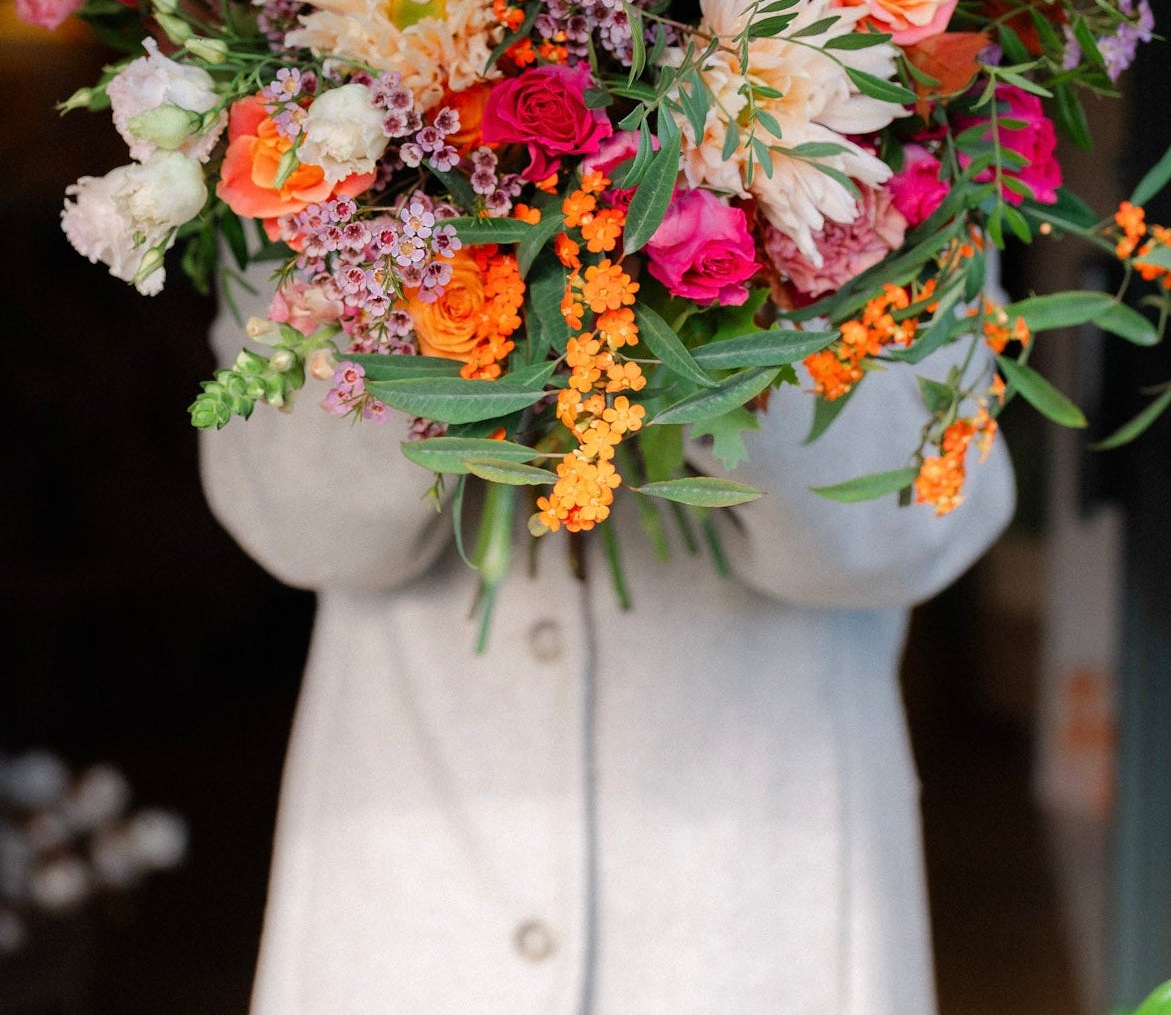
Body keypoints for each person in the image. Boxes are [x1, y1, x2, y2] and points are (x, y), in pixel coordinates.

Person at [201, 275, 1014, 1015]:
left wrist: (707, 270)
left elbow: (906, 526)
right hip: (414, 906)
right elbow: (299, 530)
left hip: (757, 909)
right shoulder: (298, 140)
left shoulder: (913, 136)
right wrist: (446, 266)